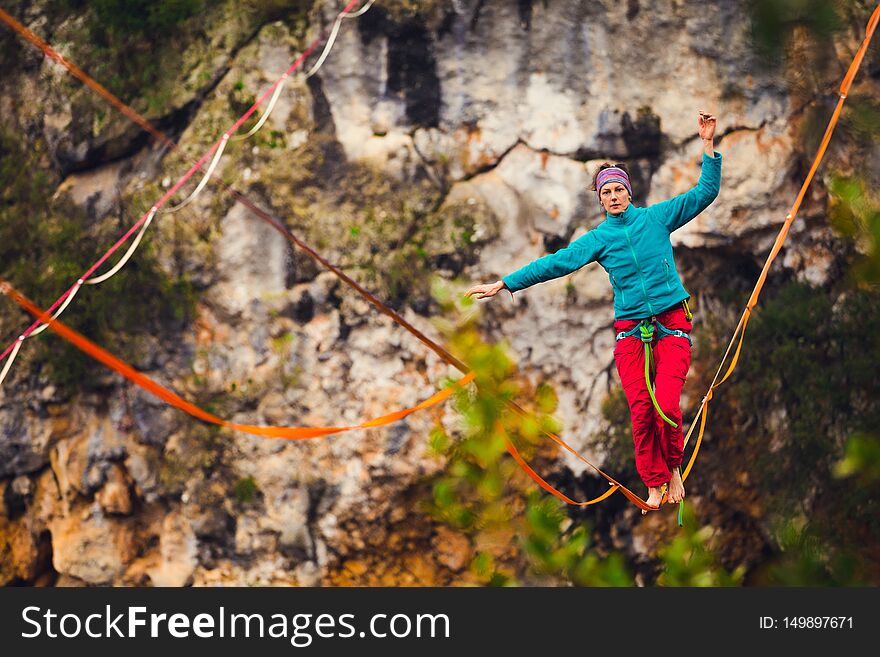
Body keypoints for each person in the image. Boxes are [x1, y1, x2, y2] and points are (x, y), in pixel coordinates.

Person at [465, 111, 721, 511]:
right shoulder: (599, 238)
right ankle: (654, 482)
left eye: (619, 189)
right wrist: (506, 282)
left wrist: (707, 145)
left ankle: (672, 467)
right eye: (607, 193)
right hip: (631, 331)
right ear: (600, 200)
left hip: (671, 323)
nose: (614, 196)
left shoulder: (657, 218)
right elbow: (557, 262)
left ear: (629, 193)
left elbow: (704, 192)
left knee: (666, 405)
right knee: (640, 411)